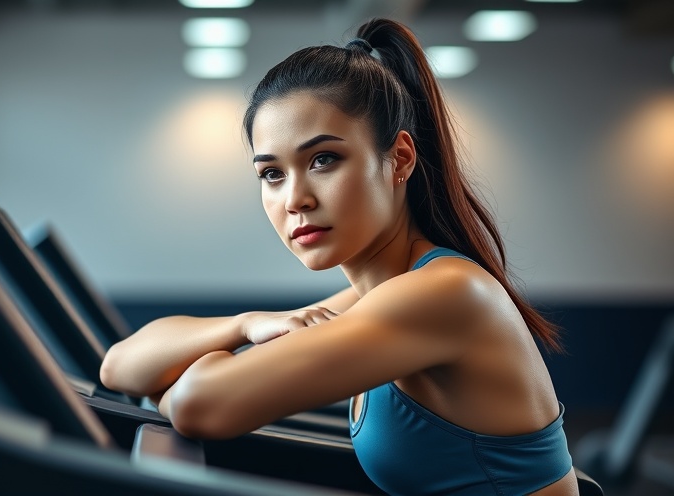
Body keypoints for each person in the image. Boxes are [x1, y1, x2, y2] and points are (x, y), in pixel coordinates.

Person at [100, 17, 576, 496]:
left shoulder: (445, 293)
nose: (295, 199)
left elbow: (197, 405)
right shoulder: (375, 296)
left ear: (401, 159)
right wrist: (244, 325)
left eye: (323, 159)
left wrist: (183, 378)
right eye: (271, 174)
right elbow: (120, 366)